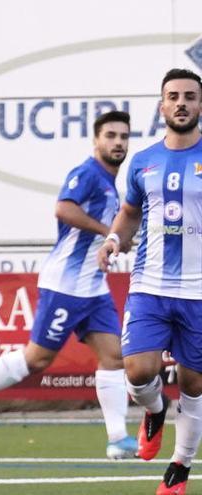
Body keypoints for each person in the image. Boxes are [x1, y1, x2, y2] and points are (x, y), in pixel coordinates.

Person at [0, 111, 137, 458]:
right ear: (96, 140)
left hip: (93, 286)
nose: (118, 142)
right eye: (111, 135)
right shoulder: (87, 173)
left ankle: (118, 438)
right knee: (37, 359)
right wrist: (104, 231)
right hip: (65, 284)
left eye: (123, 136)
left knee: (112, 357)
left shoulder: (110, 184)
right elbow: (63, 209)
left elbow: (105, 230)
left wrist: (119, 239)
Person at [97, 68, 202, 495]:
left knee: (195, 385)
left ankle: (180, 467)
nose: (181, 103)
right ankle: (155, 410)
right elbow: (129, 214)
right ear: (161, 106)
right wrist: (112, 240)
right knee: (139, 373)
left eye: (190, 97)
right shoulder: (142, 161)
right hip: (150, 286)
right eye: (173, 96)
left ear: (200, 105)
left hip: (199, 293)